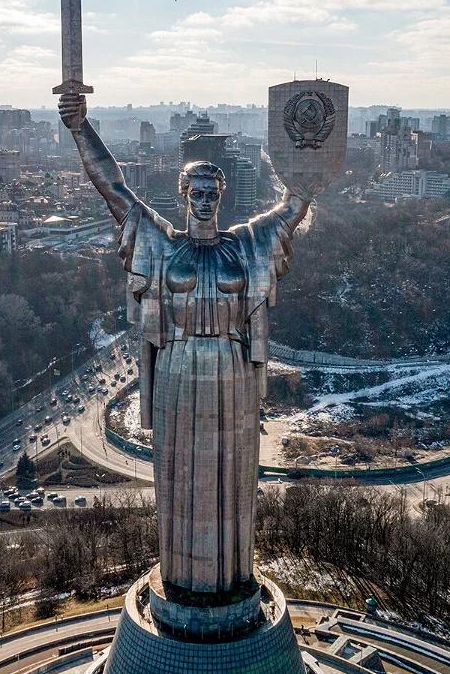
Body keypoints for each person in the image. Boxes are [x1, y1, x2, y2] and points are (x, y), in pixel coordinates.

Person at [60, 93, 310, 596]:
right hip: (176, 364)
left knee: (234, 472)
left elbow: (296, 204)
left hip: (231, 366)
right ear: (182, 195)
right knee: (178, 474)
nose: (203, 200)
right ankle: (181, 576)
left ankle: (234, 578)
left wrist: (305, 150)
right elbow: (114, 189)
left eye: (211, 192)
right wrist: (80, 128)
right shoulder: (162, 244)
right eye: (194, 191)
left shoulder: (247, 244)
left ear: (222, 195)